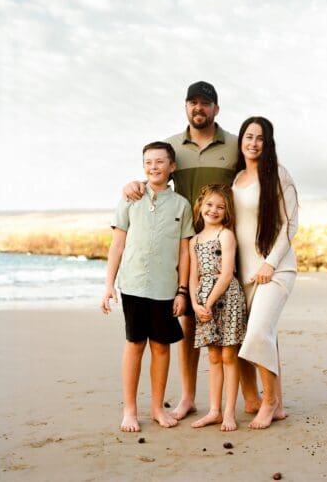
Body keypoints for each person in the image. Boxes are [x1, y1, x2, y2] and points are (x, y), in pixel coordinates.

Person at [124, 81, 260, 420]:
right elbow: (155, 176)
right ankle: (188, 397)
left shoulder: (233, 144)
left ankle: (251, 396)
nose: (198, 108)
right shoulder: (171, 147)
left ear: (216, 108)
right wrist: (135, 184)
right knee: (188, 321)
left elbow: (254, 176)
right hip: (187, 246)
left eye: (205, 103)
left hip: (229, 243)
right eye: (192, 103)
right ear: (186, 107)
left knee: (237, 319)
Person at [101, 141, 195, 432]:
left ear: (172, 167)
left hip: (165, 288)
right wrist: (108, 285)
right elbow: (117, 244)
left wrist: (182, 290)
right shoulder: (131, 198)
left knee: (161, 347)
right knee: (134, 345)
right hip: (132, 284)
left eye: (159, 162)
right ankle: (130, 410)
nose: (153, 167)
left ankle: (157, 408)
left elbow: (184, 251)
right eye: (148, 162)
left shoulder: (182, 205)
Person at [232, 116, 299, 429]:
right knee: (255, 336)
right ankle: (270, 400)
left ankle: (269, 401)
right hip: (242, 274)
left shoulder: (278, 175)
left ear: (267, 143)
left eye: (260, 138)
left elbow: (291, 224)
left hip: (275, 271)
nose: (253, 143)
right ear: (241, 140)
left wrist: (270, 262)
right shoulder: (236, 178)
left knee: (258, 331)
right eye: (248, 136)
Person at [189, 184, 247, 431]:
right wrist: (195, 304)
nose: (213, 210)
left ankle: (230, 413)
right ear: (201, 205)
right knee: (213, 356)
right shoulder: (194, 240)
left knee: (228, 355)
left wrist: (209, 302)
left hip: (227, 297)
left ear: (226, 212)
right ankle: (214, 410)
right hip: (203, 301)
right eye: (209, 204)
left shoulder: (226, 235)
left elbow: (226, 274)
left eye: (220, 207)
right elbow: (193, 276)